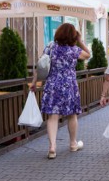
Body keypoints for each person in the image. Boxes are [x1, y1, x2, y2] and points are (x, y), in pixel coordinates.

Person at [31, 23, 91, 160]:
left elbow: (40, 66)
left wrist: (34, 83)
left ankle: (52, 147)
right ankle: (73, 144)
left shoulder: (51, 46)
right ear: (73, 36)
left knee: (53, 116)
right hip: (69, 85)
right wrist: (80, 41)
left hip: (52, 84)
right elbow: (88, 55)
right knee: (72, 115)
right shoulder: (73, 50)